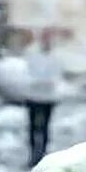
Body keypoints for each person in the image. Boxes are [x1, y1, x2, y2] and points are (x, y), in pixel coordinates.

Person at [23, 27, 62, 164]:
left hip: (48, 97)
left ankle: (43, 154)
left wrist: (44, 81)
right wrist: (42, 81)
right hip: (33, 96)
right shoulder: (33, 55)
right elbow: (31, 72)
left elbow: (55, 76)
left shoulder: (55, 57)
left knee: (45, 127)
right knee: (32, 127)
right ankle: (32, 154)